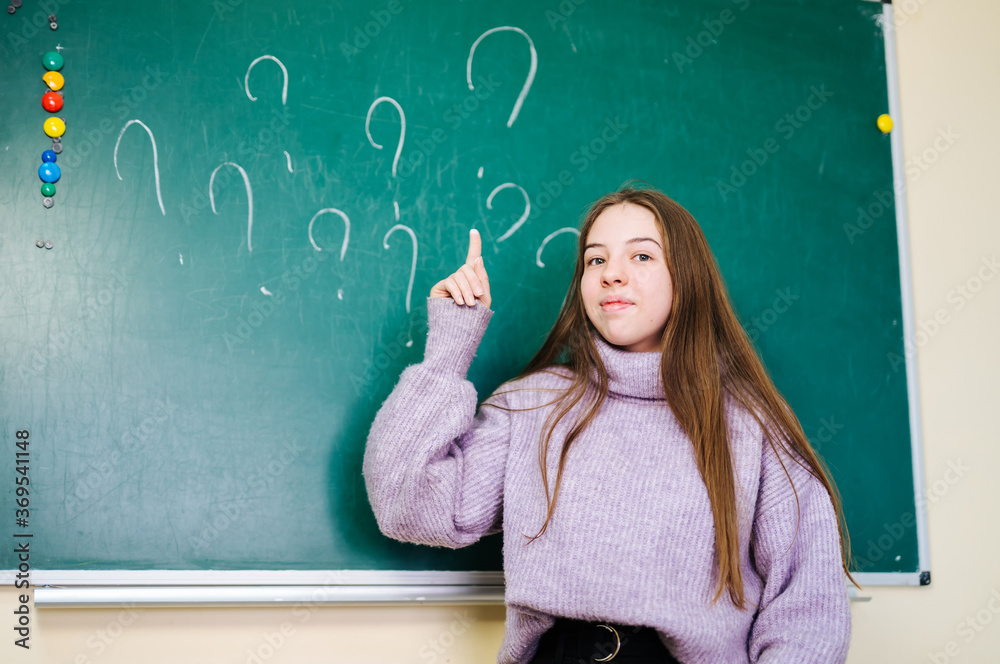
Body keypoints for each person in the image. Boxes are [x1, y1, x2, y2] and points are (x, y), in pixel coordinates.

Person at [362, 183, 857, 663]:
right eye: (596, 259)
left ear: (686, 277)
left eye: (641, 256)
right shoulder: (534, 404)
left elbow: (807, 603)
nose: (611, 274)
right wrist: (449, 347)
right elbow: (407, 505)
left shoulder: (749, 422)